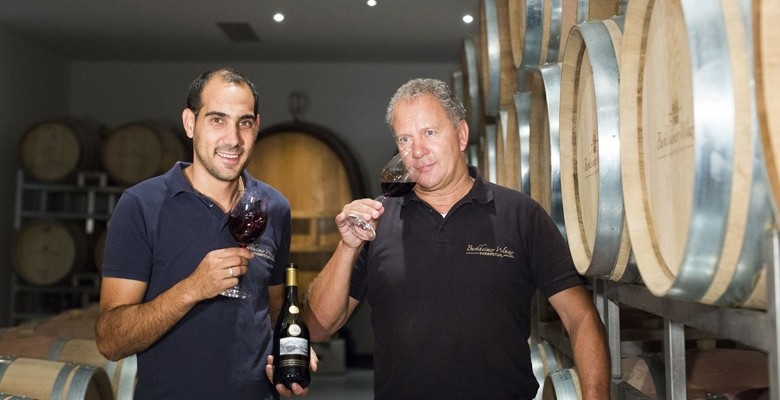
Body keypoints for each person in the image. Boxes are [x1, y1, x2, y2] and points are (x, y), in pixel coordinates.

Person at [304, 78, 610, 399]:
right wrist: (347, 247)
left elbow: (581, 317)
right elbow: (319, 326)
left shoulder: (521, 215)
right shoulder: (375, 222)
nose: (418, 151)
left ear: (461, 134)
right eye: (405, 139)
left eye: (430, 133)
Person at [95, 67, 314, 399]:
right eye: (217, 120)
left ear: (256, 127)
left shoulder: (276, 207)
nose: (233, 138)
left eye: (244, 122)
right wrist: (191, 289)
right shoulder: (141, 205)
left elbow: (273, 312)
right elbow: (111, 341)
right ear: (189, 123)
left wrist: (287, 352)